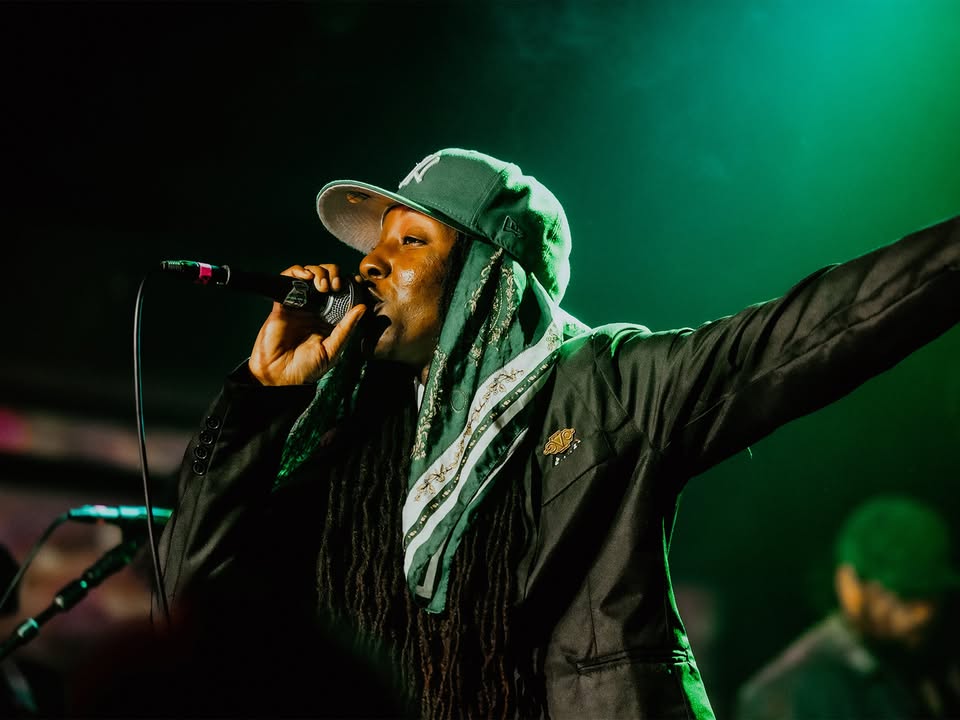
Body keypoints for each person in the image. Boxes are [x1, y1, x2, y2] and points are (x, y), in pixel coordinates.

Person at [156, 147, 960, 719]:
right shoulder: (336, 427)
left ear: (488, 277)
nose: (370, 263)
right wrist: (262, 399)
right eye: (376, 241)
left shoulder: (607, 386)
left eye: (410, 241)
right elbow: (192, 595)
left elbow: (813, 328)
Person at [735, 495, 960, 720]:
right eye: (903, 594)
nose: (924, 613)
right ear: (850, 585)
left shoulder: (924, 659)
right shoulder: (783, 693)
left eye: (932, 593)